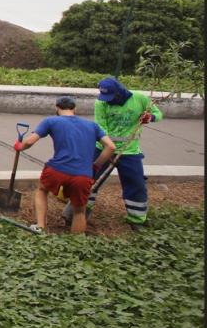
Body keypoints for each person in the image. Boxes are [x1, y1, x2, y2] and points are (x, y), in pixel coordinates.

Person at [67, 77, 164, 230]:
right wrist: (109, 150)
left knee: (135, 183)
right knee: (88, 180)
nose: (108, 101)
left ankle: (136, 218)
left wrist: (150, 117)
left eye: (111, 97)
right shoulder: (101, 103)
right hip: (104, 148)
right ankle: (78, 213)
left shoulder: (140, 99)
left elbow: (158, 114)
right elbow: (101, 128)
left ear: (120, 92)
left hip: (130, 151)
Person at [15, 96, 116, 234]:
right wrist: (96, 165)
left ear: (57, 108)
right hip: (83, 175)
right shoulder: (93, 125)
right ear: (75, 109)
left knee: (42, 190)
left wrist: (19, 146)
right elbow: (111, 147)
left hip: (57, 170)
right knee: (79, 211)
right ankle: (75, 242)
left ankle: (40, 227)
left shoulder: (51, 121)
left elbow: (29, 142)